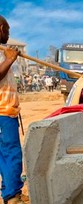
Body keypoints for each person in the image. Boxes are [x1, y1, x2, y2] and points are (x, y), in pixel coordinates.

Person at [0, 15, 25, 204]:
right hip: (2, 112)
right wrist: (9, 60)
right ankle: (12, 195)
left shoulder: (2, 51)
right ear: (1, 28)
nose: (8, 35)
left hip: (7, 111)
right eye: (7, 31)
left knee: (6, 155)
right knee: (11, 154)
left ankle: (8, 190)